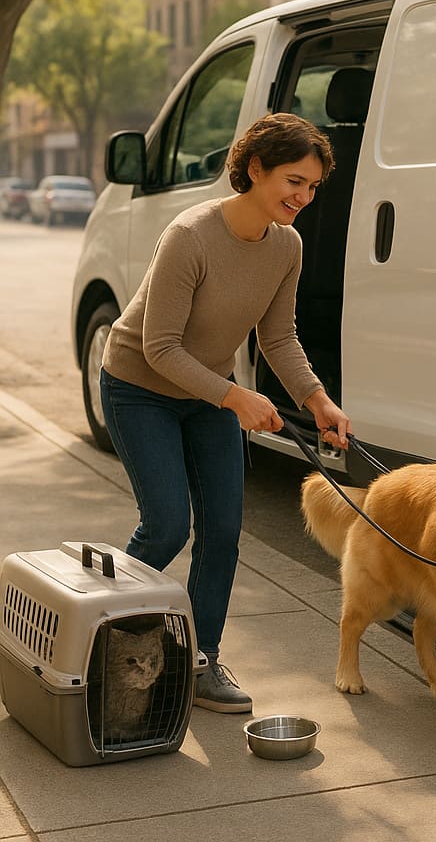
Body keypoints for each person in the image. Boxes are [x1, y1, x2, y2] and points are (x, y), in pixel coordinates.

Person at [99, 112, 351, 714]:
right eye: (294, 181)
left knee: (223, 532)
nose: (304, 197)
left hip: (208, 392)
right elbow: (159, 349)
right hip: (140, 388)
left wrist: (317, 400)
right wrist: (237, 398)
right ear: (255, 169)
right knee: (166, 525)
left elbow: (279, 338)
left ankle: (201, 661)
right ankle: (98, 628)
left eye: (313, 187)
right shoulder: (191, 234)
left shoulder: (285, 245)